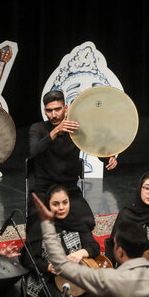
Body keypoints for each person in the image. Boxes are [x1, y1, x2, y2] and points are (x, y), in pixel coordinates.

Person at [26, 90, 118, 242]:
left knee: (87, 221)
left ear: (66, 108)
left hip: (69, 190)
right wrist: (55, 132)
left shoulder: (77, 130)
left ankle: (65, 238)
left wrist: (109, 158)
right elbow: (33, 152)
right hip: (43, 189)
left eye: (58, 109)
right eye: (49, 110)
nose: (54, 115)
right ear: (45, 111)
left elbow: (94, 147)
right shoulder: (38, 128)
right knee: (35, 226)